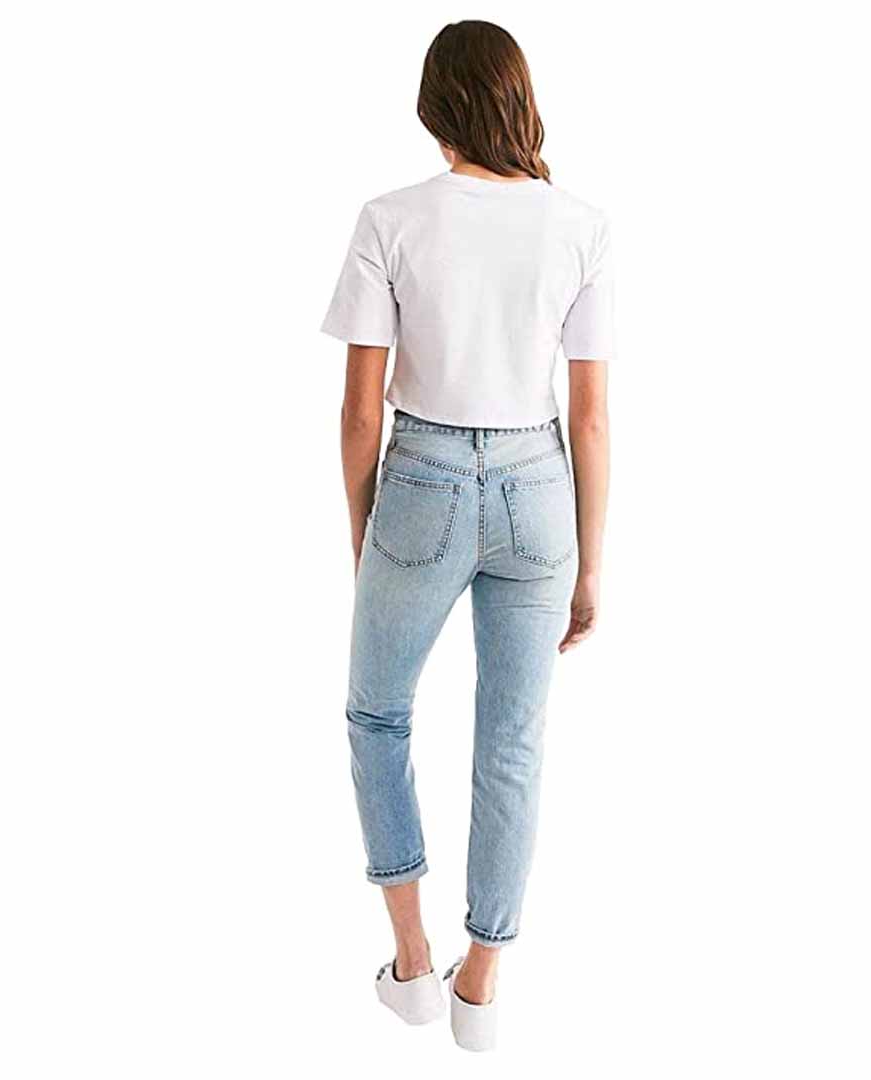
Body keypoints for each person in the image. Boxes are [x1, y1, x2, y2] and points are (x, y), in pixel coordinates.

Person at [320, 20, 613, 1052]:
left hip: (423, 481)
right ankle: (480, 985)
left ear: (435, 106)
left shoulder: (390, 218)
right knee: (513, 738)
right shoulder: (580, 225)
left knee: (378, 714)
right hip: (540, 488)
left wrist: (365, 535)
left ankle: (411, 961)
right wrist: (589, 565)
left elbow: (360, 412)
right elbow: (590, 418)